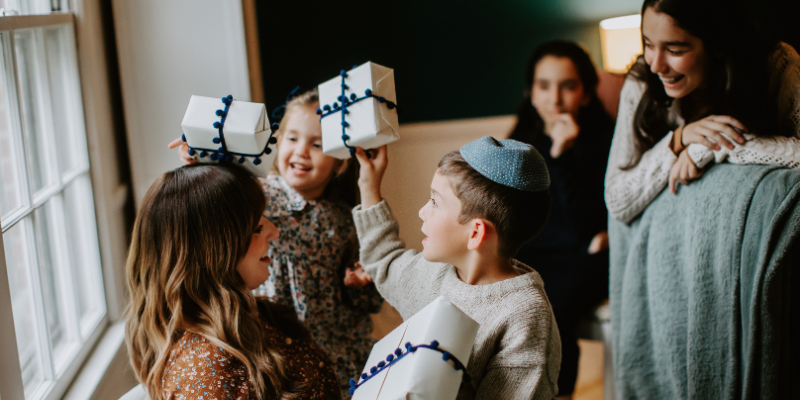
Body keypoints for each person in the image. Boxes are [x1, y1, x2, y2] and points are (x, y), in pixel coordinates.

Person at [169, 89, 383, 397]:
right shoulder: (259, 195)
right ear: (277, 142)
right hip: (275, 343)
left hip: (338, 347)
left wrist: (359, 285)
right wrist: (198, 159)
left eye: (318, 144)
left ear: (340, 164)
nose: (301, 151)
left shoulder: (345, 220)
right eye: (292, 139)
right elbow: (215, 196)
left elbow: (367, 301)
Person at [344, 137, 561, 399]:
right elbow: (385, 260)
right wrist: (368, 184)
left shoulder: (525, 316)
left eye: (435, 202)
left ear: (475, 232)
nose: (422, 211)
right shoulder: (432, 274)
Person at [124, 164, 340, 400]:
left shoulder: (249, 315)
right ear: (213, 256)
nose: (274, 231)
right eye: (257, 228)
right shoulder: (207, 378)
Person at [605, 0, 800, 224]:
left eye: (674, 50)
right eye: (648, 44)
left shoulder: (778, 64)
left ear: (717, 44)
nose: (656, 66)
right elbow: (617, 201)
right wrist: (678, 140)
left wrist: (704, 147)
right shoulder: (641, 81)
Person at [508, 40, 614, 399]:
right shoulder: (519, 141)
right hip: (536, 251)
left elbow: (588, 228)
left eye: (568, 86)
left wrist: (563, 155)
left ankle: (560, 395)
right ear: (531, 92)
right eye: (544, 86)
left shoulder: (606, 142)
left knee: (553, 304)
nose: (555, 99)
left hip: (587, 255)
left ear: (585, 94)